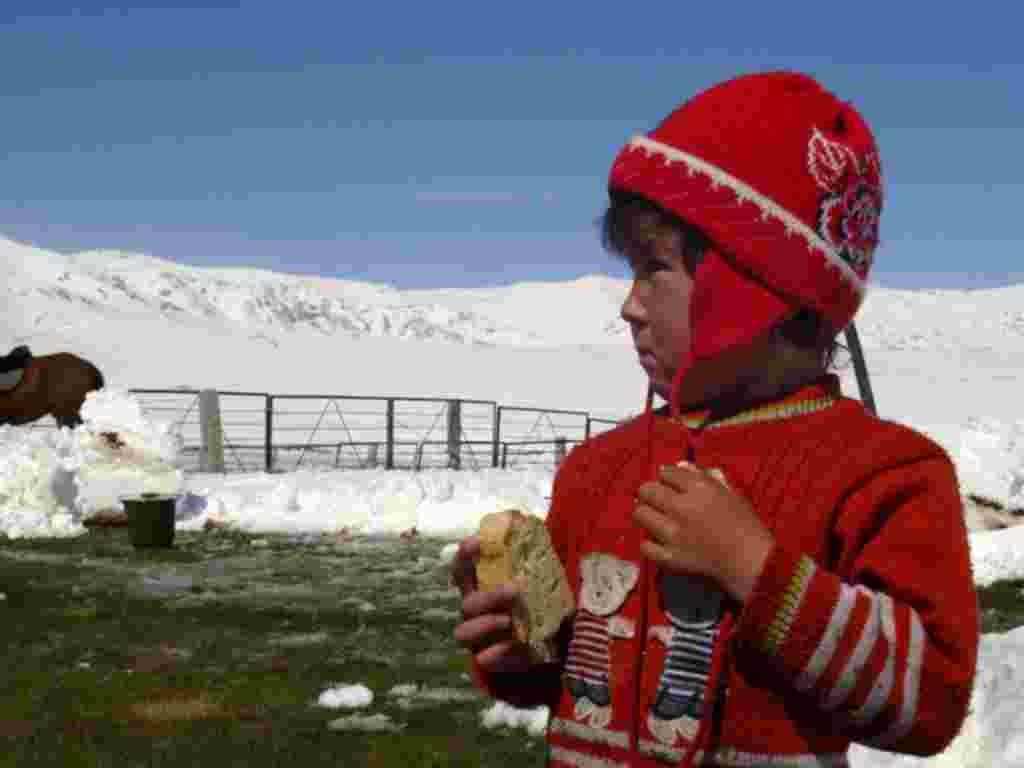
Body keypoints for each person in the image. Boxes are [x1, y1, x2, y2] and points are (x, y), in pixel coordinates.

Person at [450, 71, 978, 767]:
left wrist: (758, 572)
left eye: (653, 269)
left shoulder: (884, 474)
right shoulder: (597, 472)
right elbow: (573, 689)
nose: (629, 305)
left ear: (752, 285)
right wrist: (521, 645)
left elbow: (930, 702)